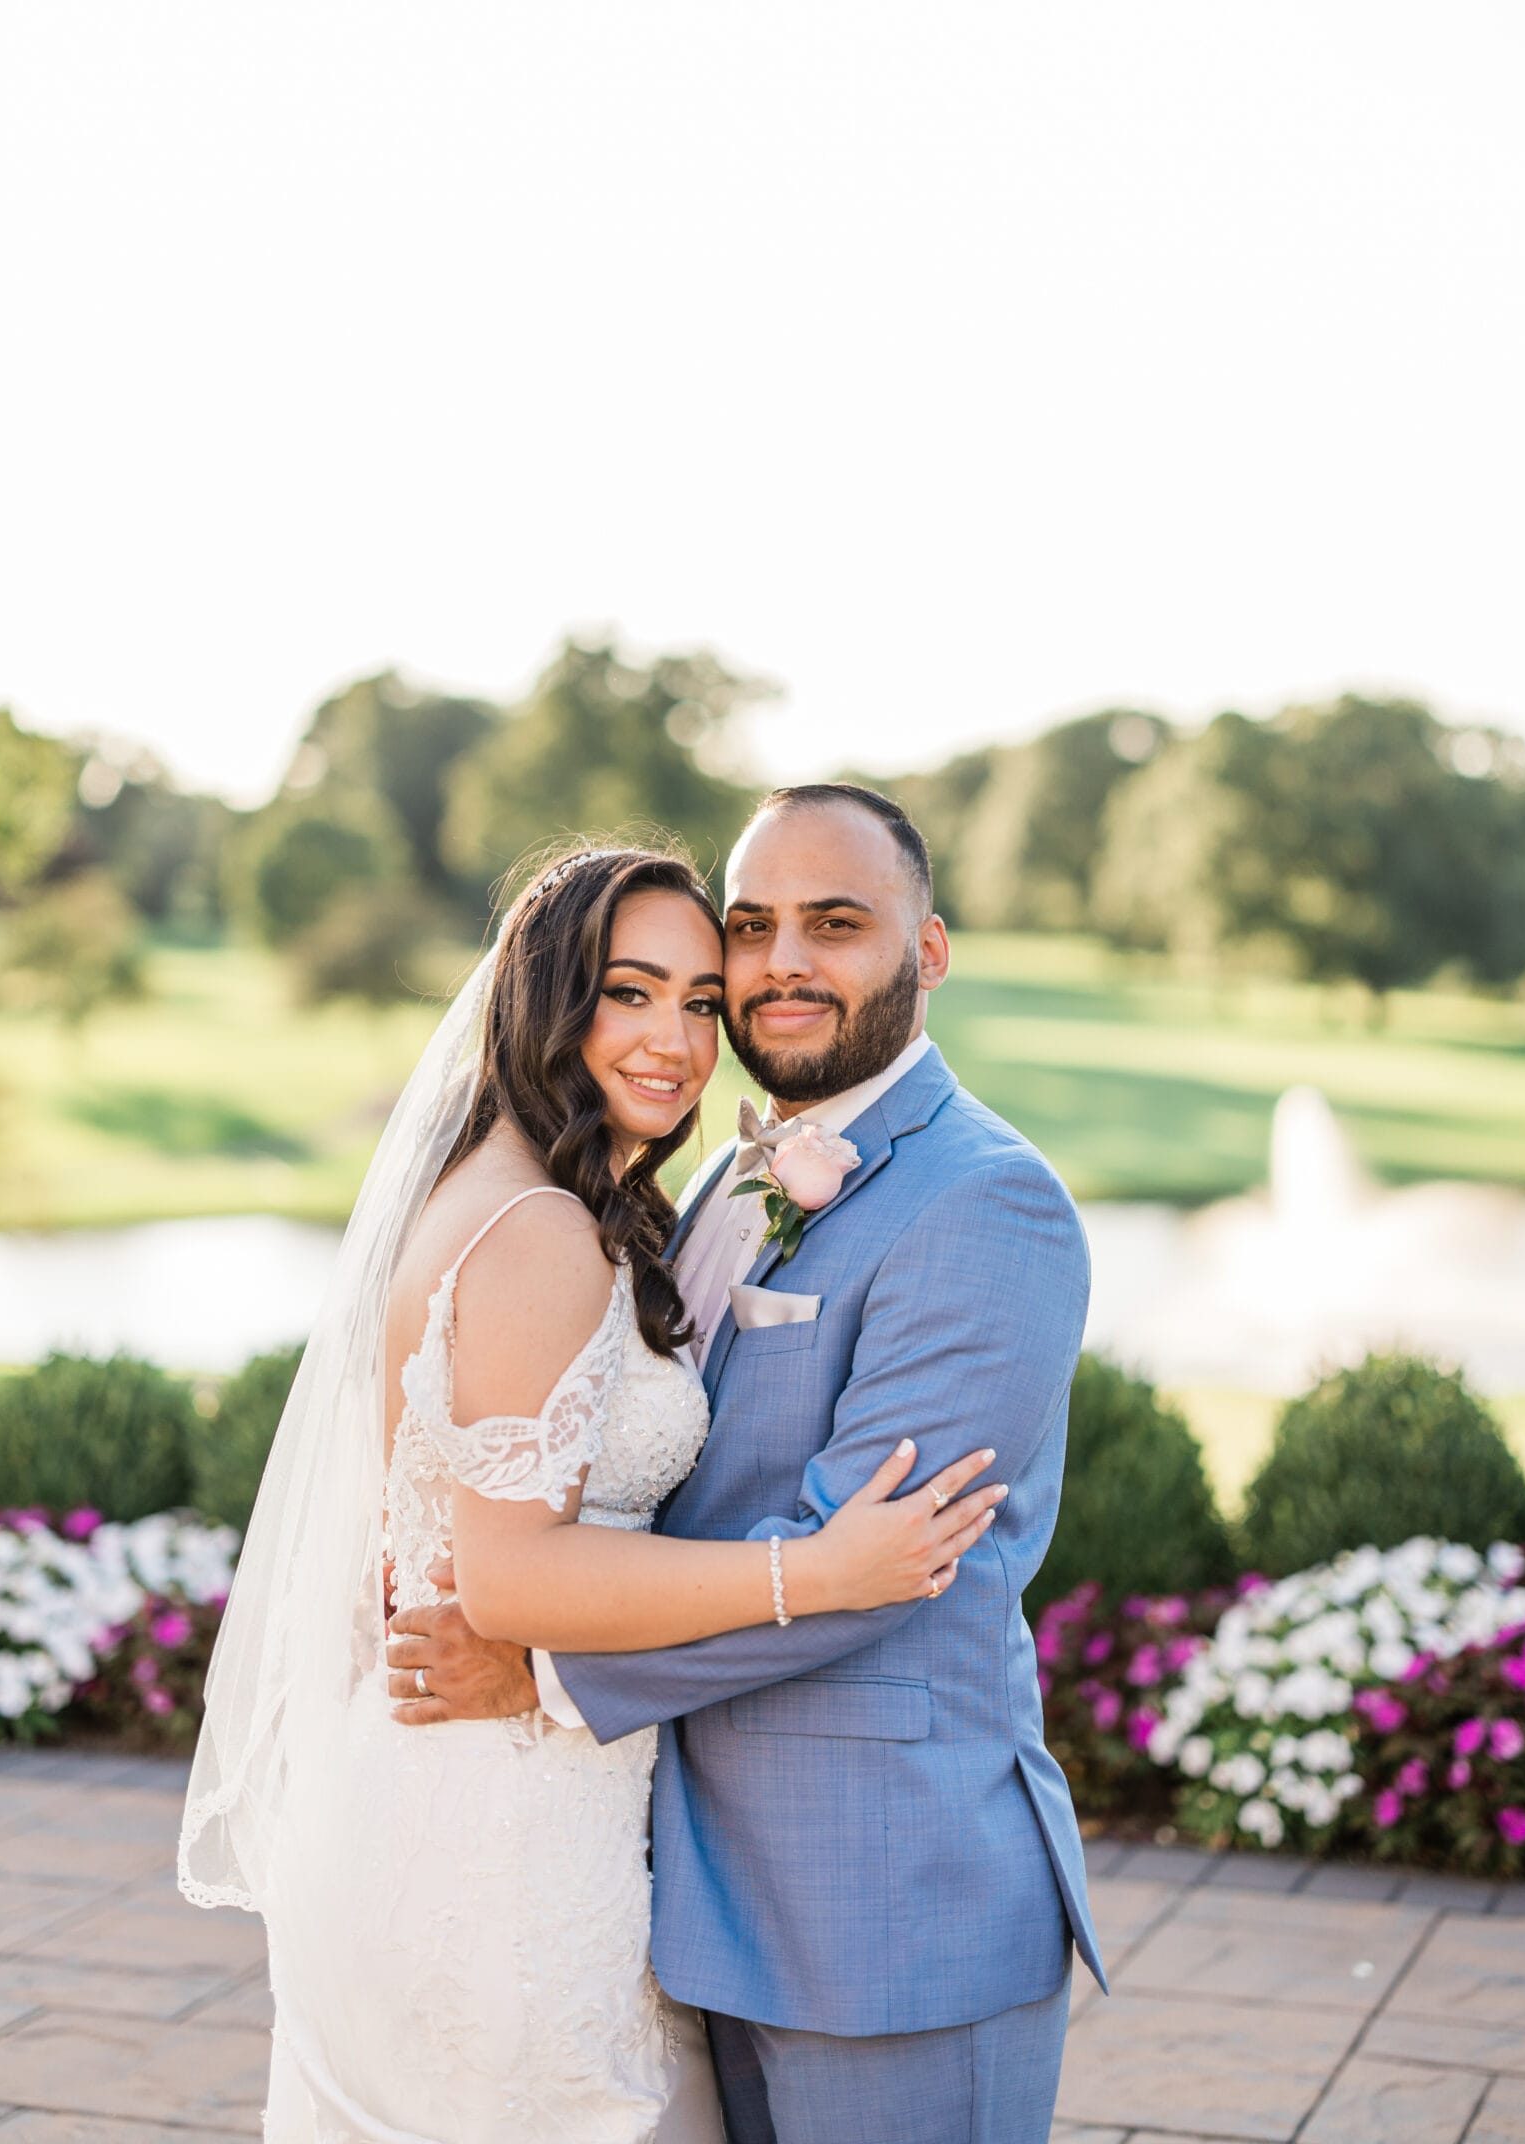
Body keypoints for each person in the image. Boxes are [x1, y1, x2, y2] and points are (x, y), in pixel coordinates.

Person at [177, 842, 999, 2144]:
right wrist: (819, 1572)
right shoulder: (540, 1235)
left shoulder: (504, 1195)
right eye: (630, 992)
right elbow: (508, 1579)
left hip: (446, 1795)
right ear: (548, 997)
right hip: (498, 1838)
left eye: (698, 1002)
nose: (674, 1039)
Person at [391, 787, 1105, 2144]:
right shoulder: (716, 1179)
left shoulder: (984, 1200)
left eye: (835, 925)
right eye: (755, 928)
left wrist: (541, 1664)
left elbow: (879, 1562)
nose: (782, 964)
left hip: (892, 1904)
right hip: (690, 1887)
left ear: (929, 951)